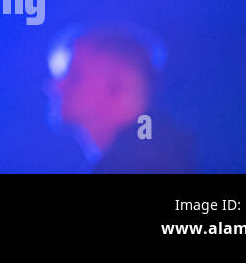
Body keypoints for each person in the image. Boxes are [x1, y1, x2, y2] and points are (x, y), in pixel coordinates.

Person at [45, 23, 197, 173]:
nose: (55, 87)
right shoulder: (161, 155)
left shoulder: (143, 167)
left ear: (119, 86)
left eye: (74, 77)